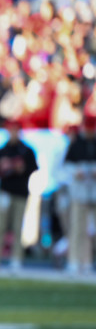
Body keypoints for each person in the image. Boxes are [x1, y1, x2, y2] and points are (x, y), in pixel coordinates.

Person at [0, 122, 38, 269]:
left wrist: (21, 168)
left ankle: (17, 258)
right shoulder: (2, 150)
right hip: (5, 192)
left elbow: (33, 168)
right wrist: (3, 165)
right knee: (0, 226)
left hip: (21, 192)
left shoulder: (26, 150)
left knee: (18, 226)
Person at [63, 117, 96, 274]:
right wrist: (77, 171)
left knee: (91, 230)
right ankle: (74, 261)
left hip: (94, 191)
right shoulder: (76, 144)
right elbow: (67, 166)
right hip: (79, 191)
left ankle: (87, 261)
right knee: (77, 227)